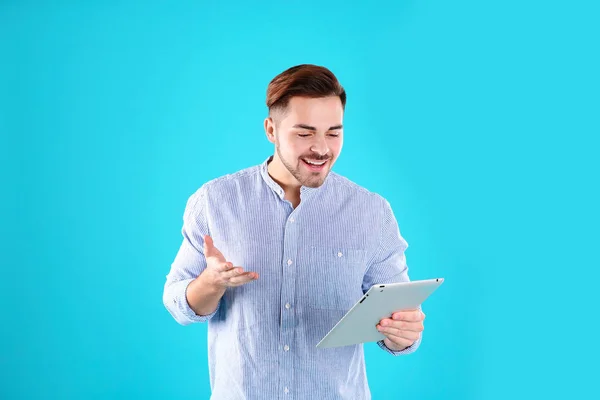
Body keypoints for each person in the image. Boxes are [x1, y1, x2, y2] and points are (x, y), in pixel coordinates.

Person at [162, 64, 426, 399]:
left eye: (333, 133)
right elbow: (176, 302)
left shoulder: (371, 212)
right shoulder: (216, 201)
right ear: (271, 129)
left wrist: (404, 332)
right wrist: (210, 284)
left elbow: (401, 318)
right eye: (304, 133)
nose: (321, 148)